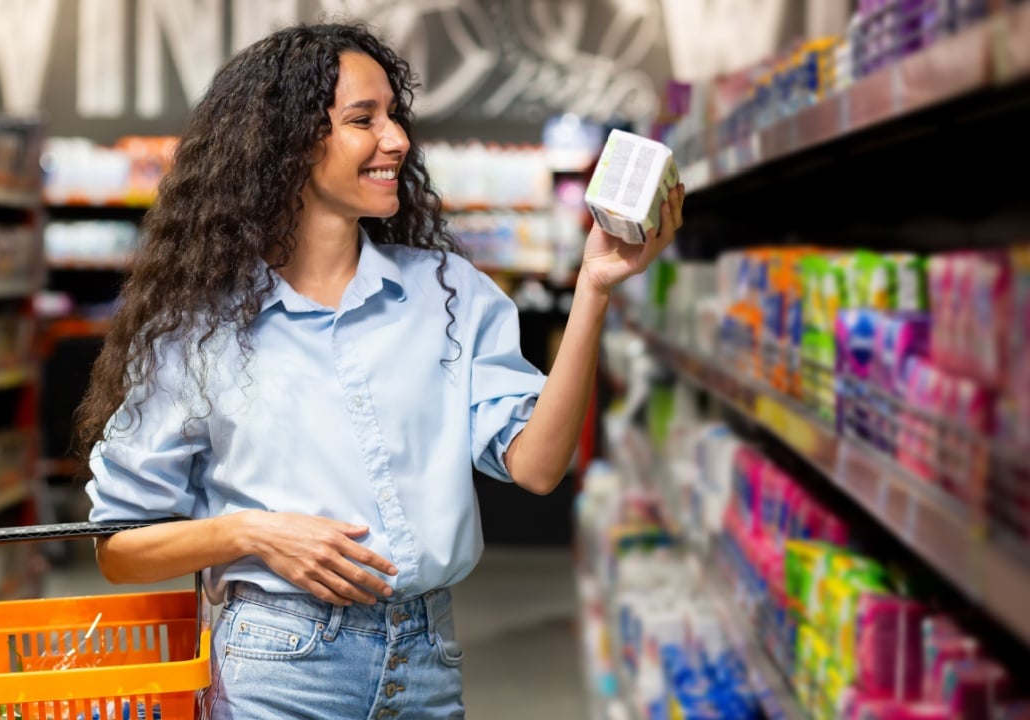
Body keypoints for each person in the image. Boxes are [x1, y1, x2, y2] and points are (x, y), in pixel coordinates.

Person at [77, 20, 684, 720]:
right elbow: (118, 547)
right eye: (363, 119)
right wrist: (252, 532)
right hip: (279, 665)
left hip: (426, 662)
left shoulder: (447, 294)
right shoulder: (201, 328)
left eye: (393, 115)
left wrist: (594, 288)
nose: (395, 138)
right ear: (287, 146)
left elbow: (538, 467)